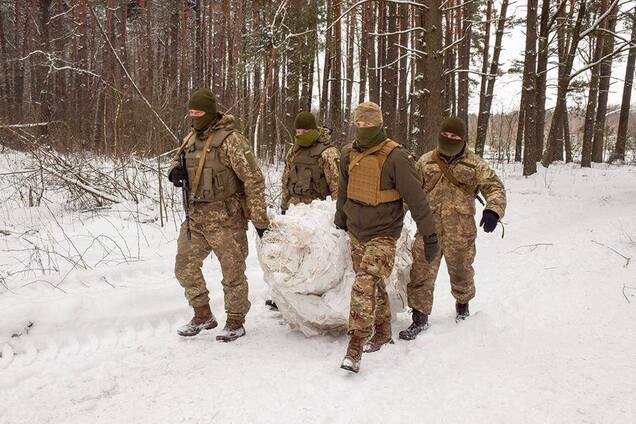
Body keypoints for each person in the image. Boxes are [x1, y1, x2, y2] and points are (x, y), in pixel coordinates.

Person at [334, 102, 439, 373]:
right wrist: (340, 219)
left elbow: (417, 201)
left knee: (364, 283)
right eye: (359, 124)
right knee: (374, 286)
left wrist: (429, 236)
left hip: (384, 234)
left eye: (369, 124)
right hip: (357, 232)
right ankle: (382, 331)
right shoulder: (347, 154)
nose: (363, 128)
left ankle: (355, 345)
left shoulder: (396, 157)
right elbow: (344, 191)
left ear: (379, 124)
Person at [168, 88, 270, 342]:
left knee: (233, 272)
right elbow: (176, 161)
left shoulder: (231, 140)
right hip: (196, 216)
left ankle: (235, 320)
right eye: (191, 112)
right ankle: (202, 314)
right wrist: (174, 173)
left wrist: (259, 219)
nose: (194, 116)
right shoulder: (191, 137)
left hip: (227, 218)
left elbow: (253, 180)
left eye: (199, 112)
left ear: (210, 112)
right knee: (184, 267)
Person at [399, 116, 507, 341]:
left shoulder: (474, 164)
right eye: (446, 135)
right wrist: (395, 217)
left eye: (455, 137)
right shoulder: (426, 161)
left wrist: (493, 210)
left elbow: (494, 187)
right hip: (429, 229)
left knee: (462, 272)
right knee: (421, 273)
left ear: (463, 139)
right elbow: (411, 193)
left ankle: (463, 307)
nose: (449, 139)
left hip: (460, 230)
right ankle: (419, 318)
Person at [263, 112, 340, 311]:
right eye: (297, 131)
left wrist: (337, 215)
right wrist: (284, 206)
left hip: (318, 215)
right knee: (290, 260)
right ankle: (288, 299)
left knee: (317, 262)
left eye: (305, 131)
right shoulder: (295, 151)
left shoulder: (328, 153)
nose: (300, 134)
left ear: (314, 130)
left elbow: (337, 186)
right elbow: (286, 179)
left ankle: (316, 298)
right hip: (295, 214)